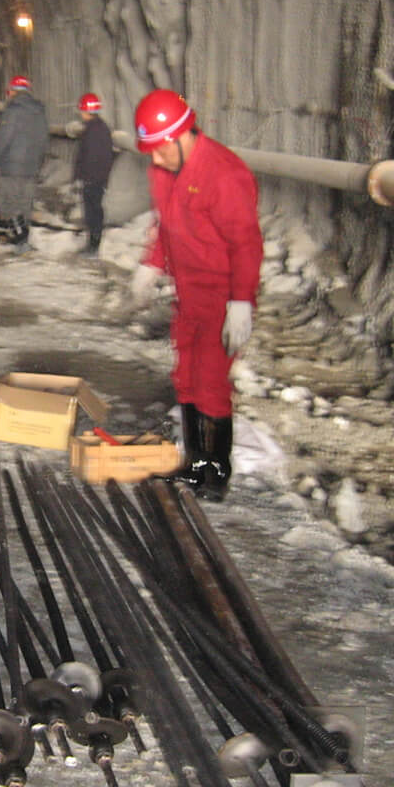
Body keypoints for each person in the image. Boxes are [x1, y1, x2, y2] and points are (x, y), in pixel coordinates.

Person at [131, 89, 262, 500]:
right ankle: (196, 464)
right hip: (187, 292)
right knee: (185, 377)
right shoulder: (163, 170)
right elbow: (166, 225)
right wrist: (153, 263)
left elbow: (246, 244)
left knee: (210, 382)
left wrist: (241, 302)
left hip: (221, 296)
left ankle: (217, 472)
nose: (155, 159)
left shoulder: (224, 175)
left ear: (181, 135)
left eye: (160, 149)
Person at [0, 74, 49, 253]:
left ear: (12, 91)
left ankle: (20, 242)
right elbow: (44, 141)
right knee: (25, 205)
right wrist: (38, 161)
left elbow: (4, 139)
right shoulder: (39, 112)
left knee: (11, 204)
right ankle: (24, 239)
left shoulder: (12, 110)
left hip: (12, 166)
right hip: (32, 166)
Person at [72, 92, 114, 258]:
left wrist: (82, 176)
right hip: (97, 178)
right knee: (93, 211)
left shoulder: (94, 130)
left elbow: (90, 157)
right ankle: (92, 244)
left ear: (85, 111)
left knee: (93, 212)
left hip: (93, 179)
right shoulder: (99, 128)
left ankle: (94, 246)